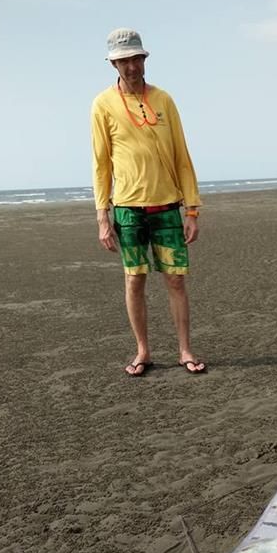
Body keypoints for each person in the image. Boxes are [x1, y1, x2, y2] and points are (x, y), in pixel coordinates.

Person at [91, 28, 206, 376]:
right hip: (128, 210)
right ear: (113, 63)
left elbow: (182, 155)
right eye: (124, 60)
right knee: (134, 279)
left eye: (136, 58)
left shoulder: (164, 100)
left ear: (144, 59)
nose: (131, 66)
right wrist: (102, 217)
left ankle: (185, 349)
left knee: (175, 279)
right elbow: (101, 163)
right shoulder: (103, 104)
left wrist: (192, 208)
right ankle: (143, 350)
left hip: (168, 207)